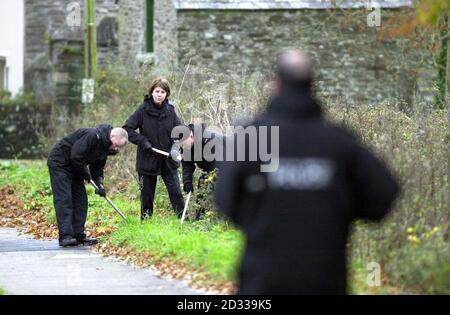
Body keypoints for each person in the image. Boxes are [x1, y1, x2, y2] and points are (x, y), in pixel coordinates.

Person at [214, 49, 399, 294]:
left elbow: (225, 201)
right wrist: (338, 209)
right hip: (324, 279)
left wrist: (259, 217)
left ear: (276, 85)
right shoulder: (339, 143)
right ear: (312, 86)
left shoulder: (253, 139)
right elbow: (383, 195)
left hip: (263, 281)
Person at [47, 124, 128, 247]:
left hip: (76, 167)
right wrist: (87, 176)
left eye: (117, 147)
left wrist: (99, 183)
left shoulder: (105, 147)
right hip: (60, 163)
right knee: (64, 199)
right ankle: (66, 236)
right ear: (112, 136)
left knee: (81, 200)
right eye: (115, 145)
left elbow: (98, 167)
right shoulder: (92, 135)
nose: (114, 148)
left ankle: (78, 235)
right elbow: (76, 156)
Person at [123, 78, 185, 220]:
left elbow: (181, 132)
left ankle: (184, 221)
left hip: (168, 159)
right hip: (147, 159)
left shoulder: (171, 111)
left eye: (163, 92)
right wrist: (143, 141)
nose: (159, 94)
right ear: (151, 92)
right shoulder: (142, 110)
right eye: (157, 91)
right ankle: (146, 224)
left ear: (166, 94)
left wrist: (176, 147)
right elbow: (127, 129)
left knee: (175, 192)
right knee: (147, 196)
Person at [179, 123, 220, 220]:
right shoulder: (186, 147)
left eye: (183, 143)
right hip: (207, 170)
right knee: (201, 194)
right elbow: (187, 165)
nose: (183, 146)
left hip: (224, 166)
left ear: (191, 136)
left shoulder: (209, 138)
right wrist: (187, 182)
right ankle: (199, 221)